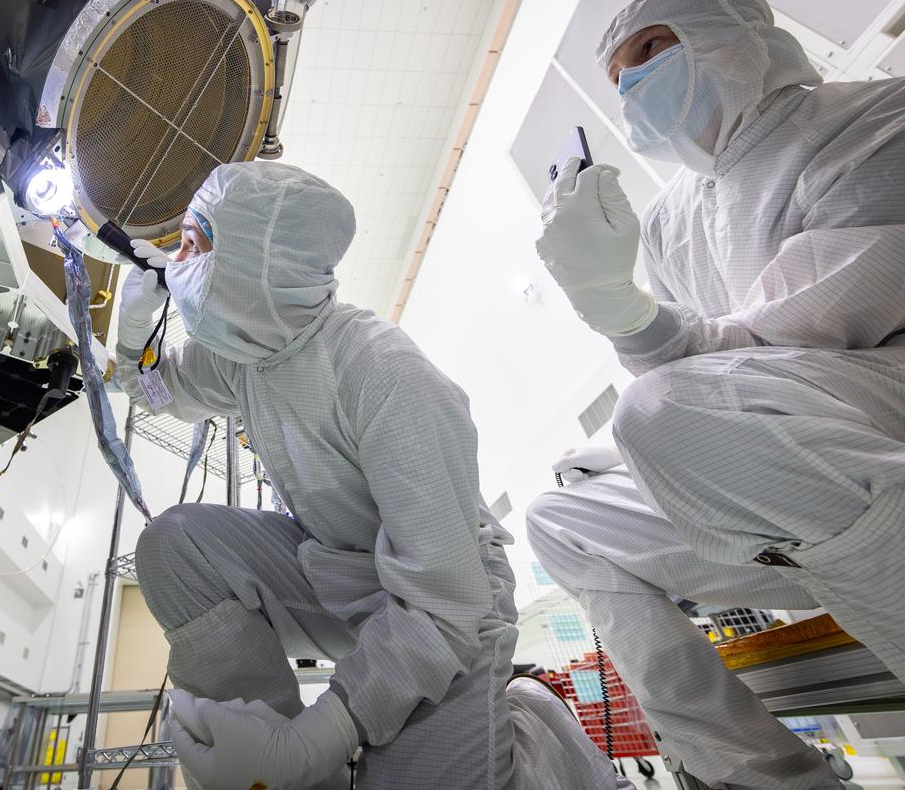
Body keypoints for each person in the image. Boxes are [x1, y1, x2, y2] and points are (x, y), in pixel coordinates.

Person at [118, 162, 630, 790]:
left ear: (254, 258)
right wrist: (132, 333)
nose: (176, 268)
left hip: (447, 605)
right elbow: (157, 392)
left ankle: (537, 728)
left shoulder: (381, 372)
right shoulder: (246, 358)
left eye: (194, 248)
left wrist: (315, 741)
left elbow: (444, 600)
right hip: (340, 573)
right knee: (174, 548)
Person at [528, 0, 905, 789]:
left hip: (878, 426)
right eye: (617, 77)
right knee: (560, 516)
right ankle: (761, 775)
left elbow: (811, 332)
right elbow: (691, 380)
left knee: (661, 411)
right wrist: (625, 319)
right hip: (762, 492)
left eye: (650, 50)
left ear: (736, 38)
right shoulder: (671, 222)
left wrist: (622, 312)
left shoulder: (871, 120)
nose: (630, 86)